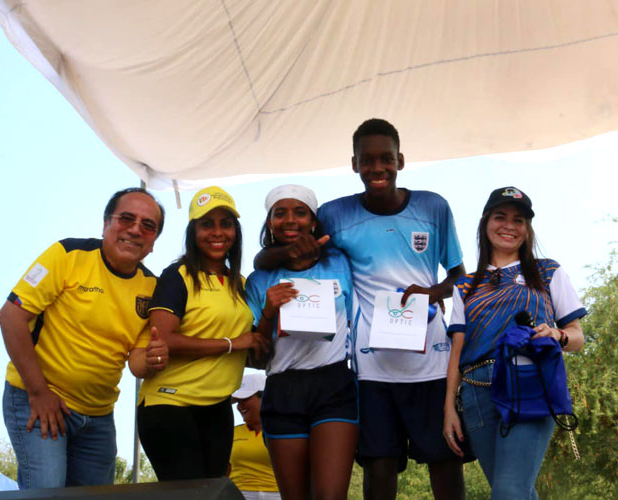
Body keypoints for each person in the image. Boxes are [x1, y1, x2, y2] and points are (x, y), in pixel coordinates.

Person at [254, 119, 466, 500]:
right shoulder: (335, 215)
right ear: (354, 165)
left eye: (386, 158)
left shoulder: (434, 206)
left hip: (431, 362)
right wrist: (280, 256)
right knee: (379, 465)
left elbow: (460, 277)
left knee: (444, 460)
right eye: (366, 160)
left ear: (400, 159)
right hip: (370, 369)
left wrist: (433, 292)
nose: (377, 168)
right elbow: (268, 257)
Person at [0, 187, 167, 489]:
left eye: (147, 225)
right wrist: (39, 393)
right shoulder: (67, 255)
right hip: (37, 397)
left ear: (153, 242)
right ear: (105, 225)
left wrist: (153, 359)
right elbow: (10, 317)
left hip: (99, 417)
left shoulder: (153, 288)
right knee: (46, 493)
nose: (135, 229)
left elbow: (136, 364)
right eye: (126, 218)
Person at [443, 186, 587, 499]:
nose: (509, 225)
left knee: (509, 491)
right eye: (500, 216)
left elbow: (577, 336)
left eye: (519, 219)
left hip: (530, 384)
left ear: (527, 228)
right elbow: (456, 351)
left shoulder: (547, 271)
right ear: (485, 222)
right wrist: (448, 409)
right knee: (515, 491)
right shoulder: (465, 285)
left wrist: (559, 334)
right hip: (475, 395)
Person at [135, 185, 266, 481]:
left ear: (237, 231)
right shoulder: (177, 276)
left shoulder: (242, 285)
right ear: (193, 232)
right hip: (170, 404)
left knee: (213, 492)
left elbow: (253, 346)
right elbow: (164, 339)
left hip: (217, 406)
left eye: (226, 224)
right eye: (207, 224)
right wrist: (232, 344)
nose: (217, 232)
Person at [246, 185, 358, 500]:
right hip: (283, 390)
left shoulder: (339, 262)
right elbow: (255, 359)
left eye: (300, 212)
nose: (289, 219)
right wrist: (269, 312)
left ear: (313, 221)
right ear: (269, 223)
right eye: (279, 213)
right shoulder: (258, 280)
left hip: (333, 384)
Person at [228, 372, 280, 500]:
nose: (240, 407)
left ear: (266, 397)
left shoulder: (285, 430)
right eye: (238, 402)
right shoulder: (232, 432)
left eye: (244, 400)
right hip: (239, 494)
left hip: (278, 494)